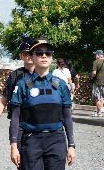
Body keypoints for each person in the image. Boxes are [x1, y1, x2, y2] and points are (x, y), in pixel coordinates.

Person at [10, 39, 75, 170]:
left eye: (48, 53)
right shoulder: (23, 84)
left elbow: (67, 117)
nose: (44, 56)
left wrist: (71, 145)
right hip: (31, 140)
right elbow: (15, 117)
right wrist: (13, 146)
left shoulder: (61, 85)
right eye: (39, 53)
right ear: (31, 57)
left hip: (56, 140)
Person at [0, 37, 35, 142]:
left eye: (32, 53)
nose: (29, 56)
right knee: (18, 156)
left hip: (39, 124)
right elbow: (3, 101)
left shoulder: (44, 75)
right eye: (25, 53)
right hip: (19, 123)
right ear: (21, 56)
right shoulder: (15, 76)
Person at [91, 50, 104, 117]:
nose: (95, 56)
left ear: (99, 55)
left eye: (96, 54)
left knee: (97, 98)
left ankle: (99, 113)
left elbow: (94, 73)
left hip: (98, 82)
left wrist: (91, 78)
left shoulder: (95, 62)